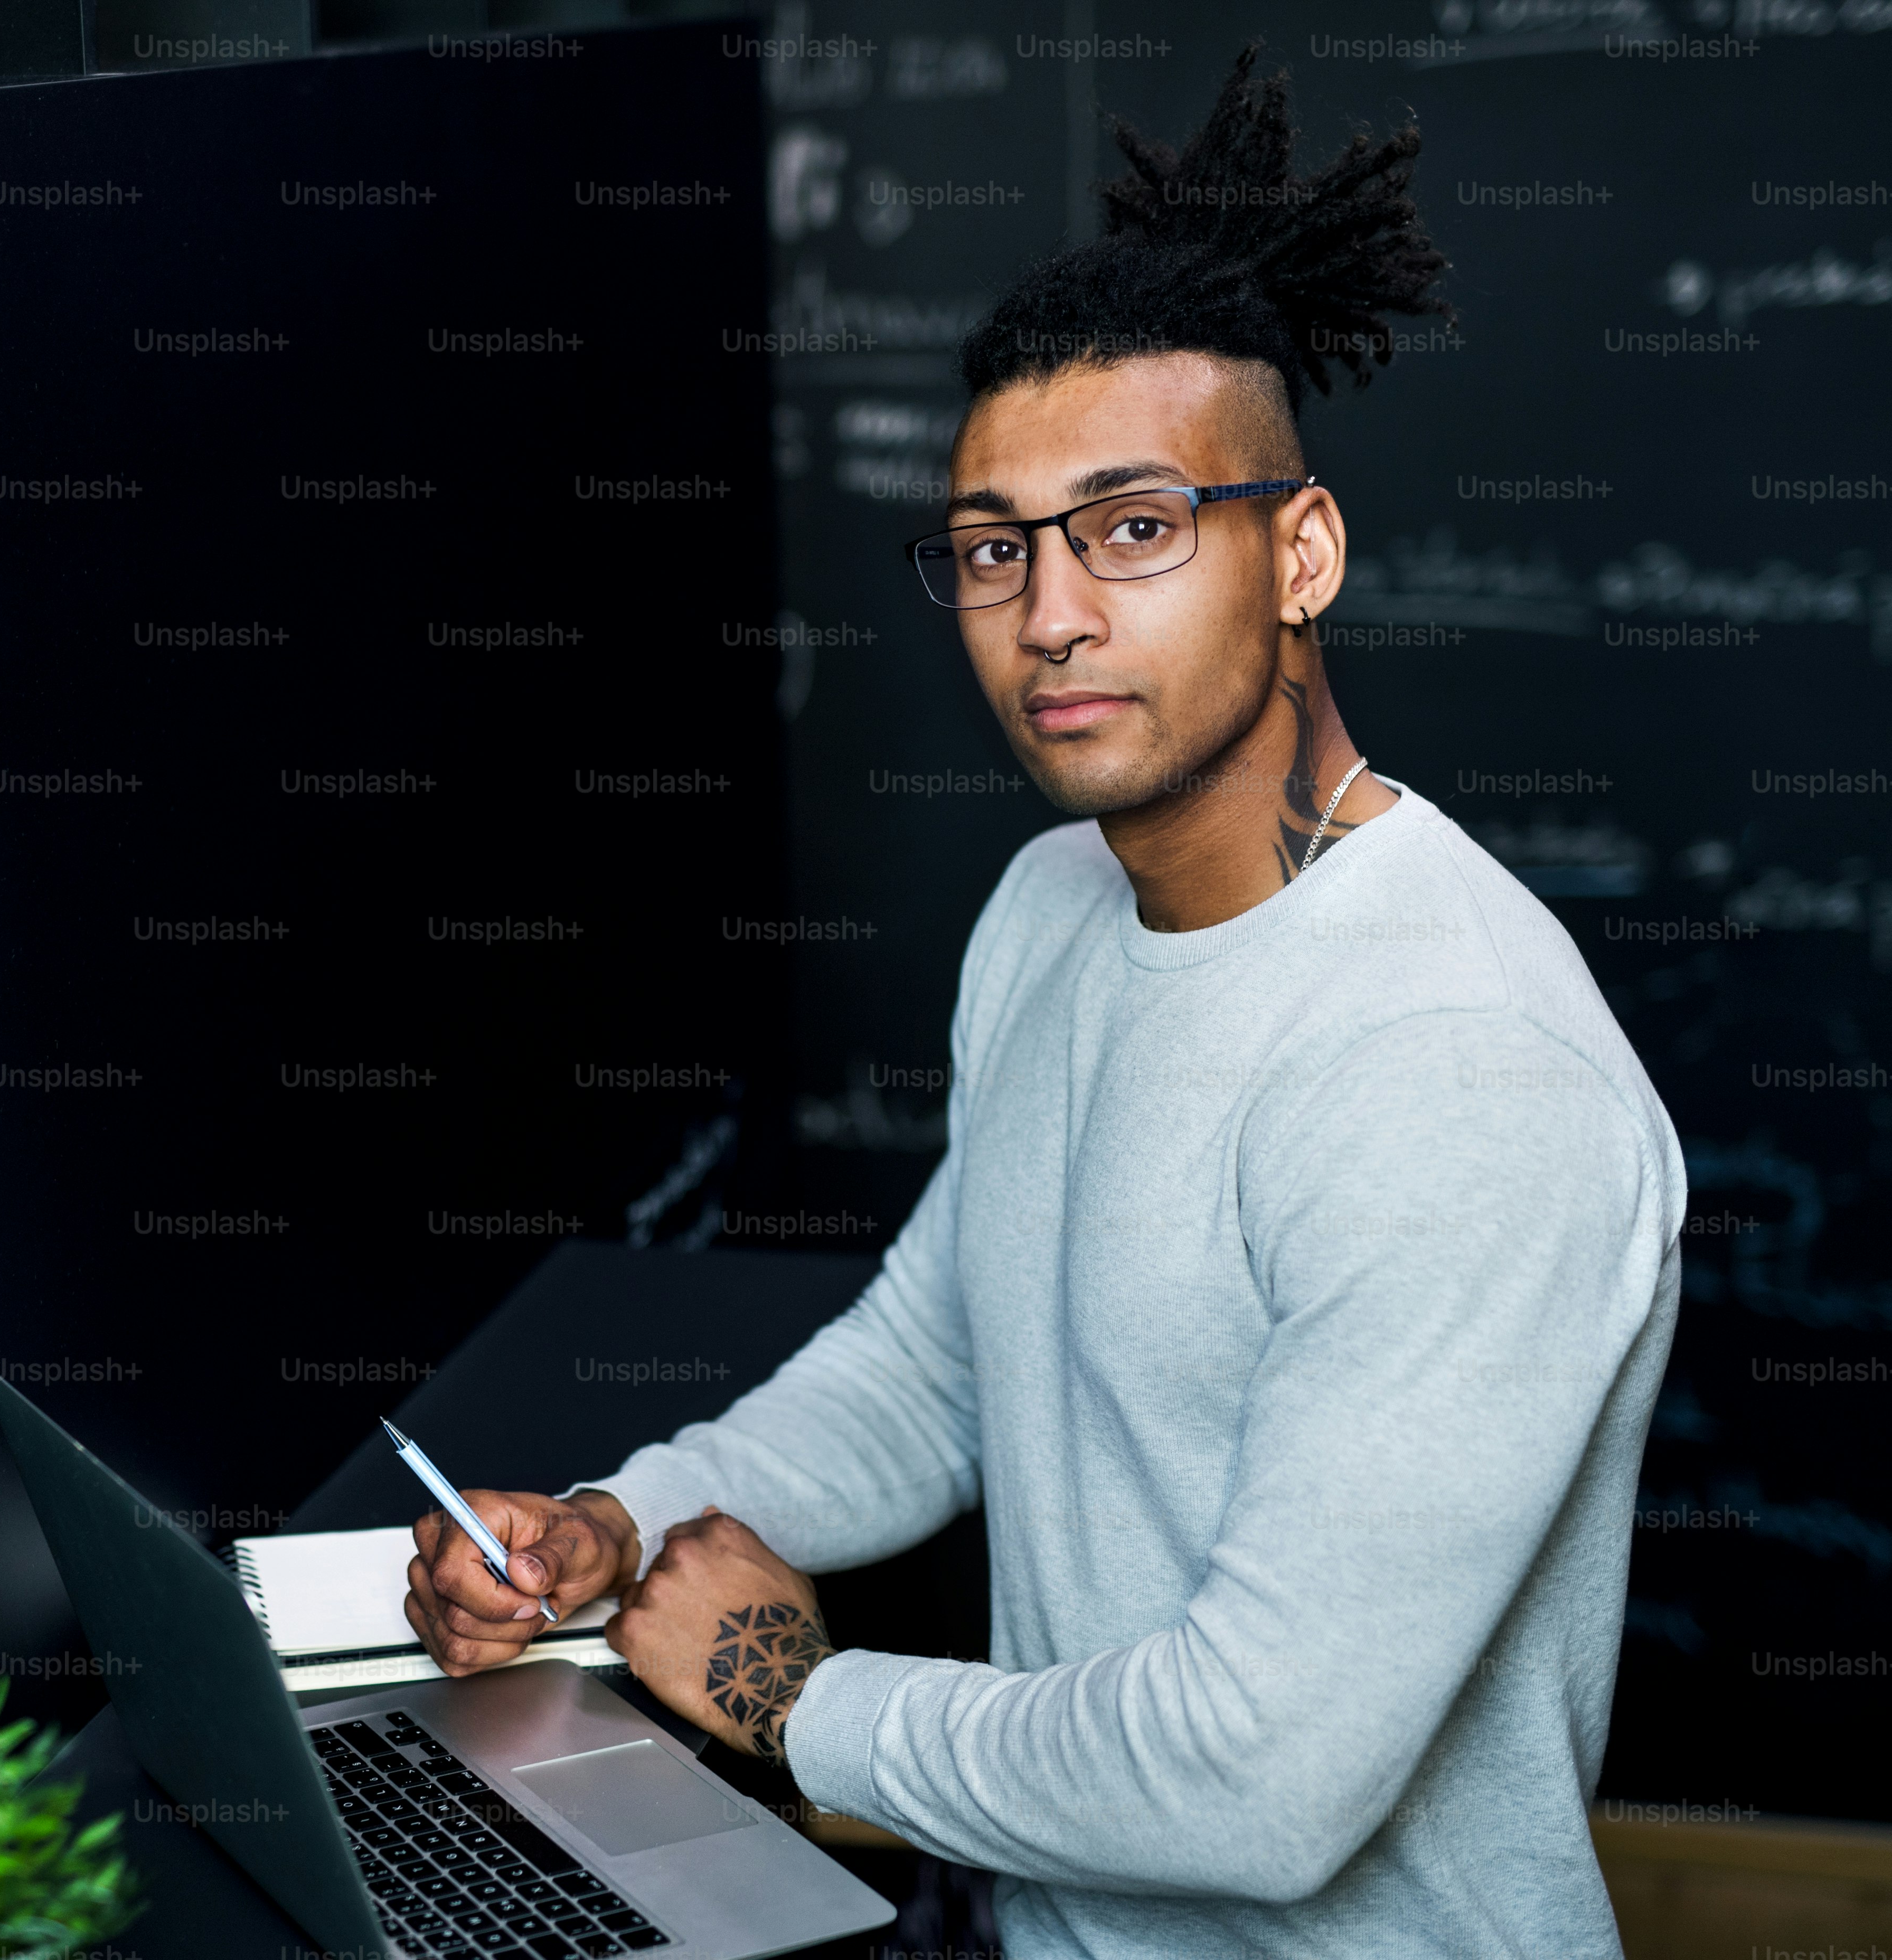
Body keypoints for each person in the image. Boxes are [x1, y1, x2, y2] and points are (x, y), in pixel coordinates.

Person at [404, 47, 1682, 1960]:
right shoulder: (1050, 910)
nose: (1053, 612)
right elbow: (944, 1361)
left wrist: (795, 1701)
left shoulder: (1458, 1074)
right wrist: (615, 1526)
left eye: (1136, 526)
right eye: (998, 546)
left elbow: (1261, 1778)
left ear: (1302, 554)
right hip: (1016, 1921)